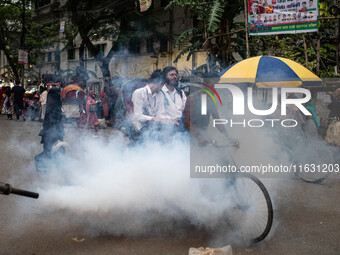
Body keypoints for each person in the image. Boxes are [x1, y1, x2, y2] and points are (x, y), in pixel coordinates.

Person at [183, 73, 238, 147]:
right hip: (189, 136)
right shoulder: (192, 98)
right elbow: (187, 121)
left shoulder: (211, 100)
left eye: (215, 86)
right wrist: (199, 137)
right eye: (212, 86)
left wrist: (229, 138)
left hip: (203, 134)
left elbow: (217, 121)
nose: (214, 89)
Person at [38, 87, 64, 159]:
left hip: (51, 130)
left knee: (50, 149)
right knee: (53, 149)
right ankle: (40, 162)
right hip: (53, 130)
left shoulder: (50, 103)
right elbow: (54, 118)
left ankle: (44, 163)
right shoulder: (54, 104)